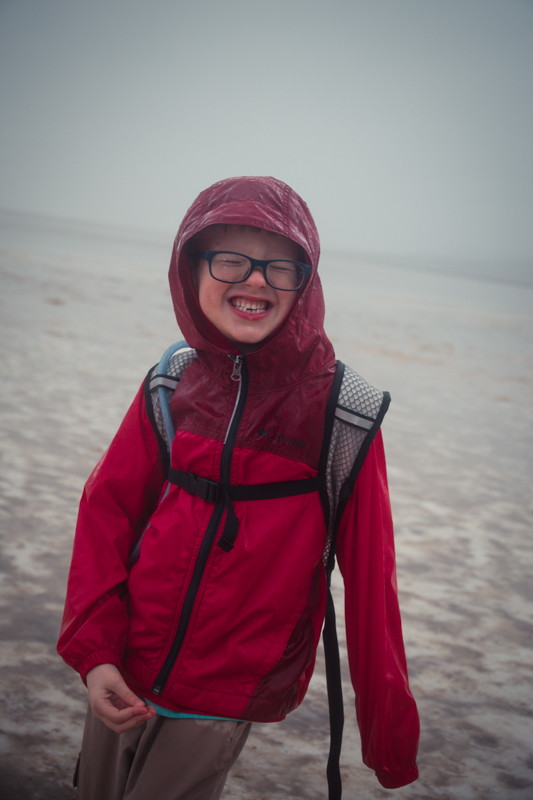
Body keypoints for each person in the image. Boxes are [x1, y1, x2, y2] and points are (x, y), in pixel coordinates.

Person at [57, 176, 420, 799]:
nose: (255, 281)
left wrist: (388, 744)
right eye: (230, 260)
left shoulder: (344, 412)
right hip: (126, 663)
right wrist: (95, 653)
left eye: (280, 267)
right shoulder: (173, 380)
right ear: (192, 268)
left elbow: (371, 588)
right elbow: (106, 512)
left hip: (224, 689)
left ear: (306, 283)